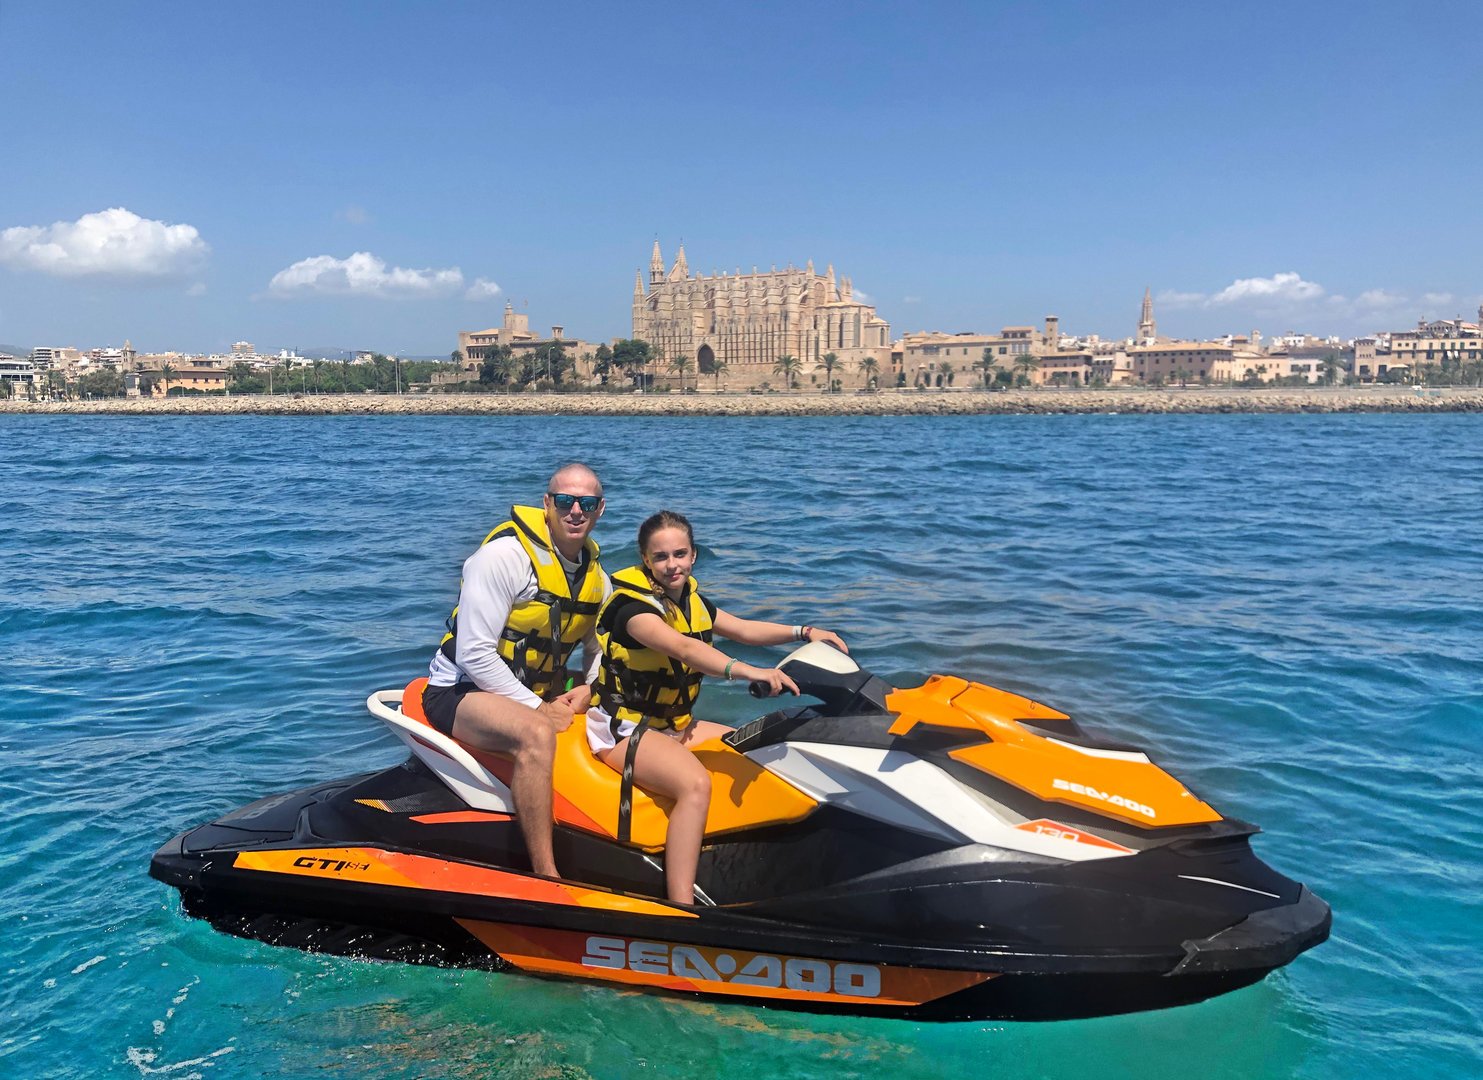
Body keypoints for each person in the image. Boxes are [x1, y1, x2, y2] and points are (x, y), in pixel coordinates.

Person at [588, 510, 847, 904]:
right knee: (694, 785)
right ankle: (682, 906)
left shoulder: (691, 600)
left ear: (693, 556)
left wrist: (806, 633)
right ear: (645, 560)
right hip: (624, 730)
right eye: (661, 557)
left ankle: (748, 870)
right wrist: (747, 671)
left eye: (680, 554)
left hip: (675, 725)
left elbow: (743, 629)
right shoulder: (632, 611)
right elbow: (685, 648)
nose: (672, 564)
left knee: (758, 750)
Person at [423, 463, 608, 880]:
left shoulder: (597, 578)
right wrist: (538, 709)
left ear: (600, 510)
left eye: (587, 503)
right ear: (547, 504)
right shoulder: (503, 558)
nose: (575, 511)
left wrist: (590, 690)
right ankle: (547, 875)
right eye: (564, 501)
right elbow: (473, 654)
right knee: (536, 734)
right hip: (459, 691)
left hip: (534, 694)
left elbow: (600, 652)